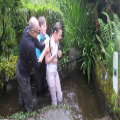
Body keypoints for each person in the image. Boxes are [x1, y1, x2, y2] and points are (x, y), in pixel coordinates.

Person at [16, 16, 50, 113]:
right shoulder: (29, 46)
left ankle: (19, 106)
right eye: (38, 31)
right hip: (23, 74)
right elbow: (36, 66)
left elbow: (39, 45)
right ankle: (29, 114)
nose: (39, 32)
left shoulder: (27, 30)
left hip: (20, 67)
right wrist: (44, 53)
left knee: (22, 92)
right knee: (29, 101)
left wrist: (45, 42)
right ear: (32, 32)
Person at [45, 22, 63, 106]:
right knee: (54, 101)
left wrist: (59, 53)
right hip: (50, 73)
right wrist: (54, 56)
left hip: (55, 72)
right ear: (55, 33)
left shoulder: (57, 42)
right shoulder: (48, 43)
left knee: (60, 97)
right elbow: (46, 61)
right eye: (60, 35)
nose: (61, 37)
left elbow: (56, 53)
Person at [35, 16, 49, 98]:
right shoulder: (37, 39)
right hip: (39, 69)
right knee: (39, 90)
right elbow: (37, 58)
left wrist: (57, 52)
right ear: (39, 28)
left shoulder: (47, 37)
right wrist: (45, 50)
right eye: (43, 26)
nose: (45, 28)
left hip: (45, 67)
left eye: (46, 26)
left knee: (45, 88)